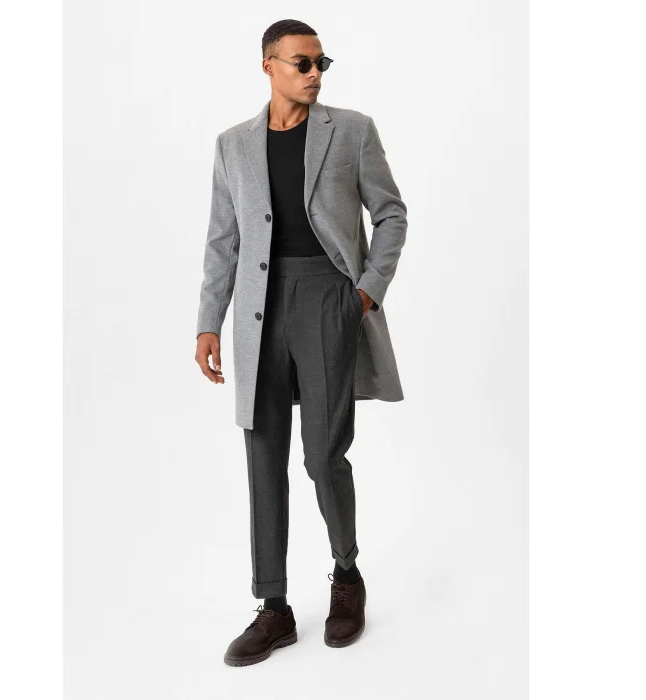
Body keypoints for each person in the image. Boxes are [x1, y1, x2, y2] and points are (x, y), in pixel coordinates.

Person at [195, 19, 408, 666]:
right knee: (262, 456)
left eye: (321, 63)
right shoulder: (233, 145)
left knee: (323, 455)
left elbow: (391, 213)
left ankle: (346, 576)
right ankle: (274, 608)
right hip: (258, 309)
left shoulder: (352, 130)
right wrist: (208, 321)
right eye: (302, 63)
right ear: (269, 65)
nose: (315, 73)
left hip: (328, 300)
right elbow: (224, 239)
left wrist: (365, 292)